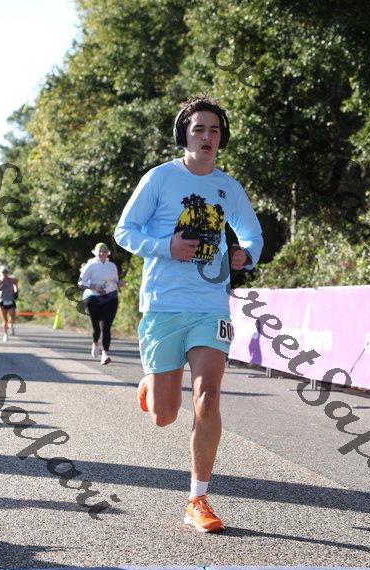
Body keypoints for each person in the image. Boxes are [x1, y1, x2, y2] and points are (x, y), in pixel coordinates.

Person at [114, 95, 263, 533]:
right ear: (185, 135)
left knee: (208, 396)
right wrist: (166, 246)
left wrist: (245, 254)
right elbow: (124, 231)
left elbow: (252, 233)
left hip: (210, 303)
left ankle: (198, 498)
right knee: (164, 414)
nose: (207, 137)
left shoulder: (229, 188)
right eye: (199, 129)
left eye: (214, 130)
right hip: (163, 303)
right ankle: (151, 381)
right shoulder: (159, 179)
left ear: (221, 139)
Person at [78, 242, 125, 365]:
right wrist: (94, 286)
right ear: (95, 252)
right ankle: (95, 342)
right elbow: (81, 282)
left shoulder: (112, 266)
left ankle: (105, 354)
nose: (102, 253)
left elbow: (115, 280)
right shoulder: (91, 264)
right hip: (93, 298)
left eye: (104, 251)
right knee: (96, 329)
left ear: (108, 253)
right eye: (100, 251)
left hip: (110, 297)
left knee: (106, 327)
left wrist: (119, 283)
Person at [0, 265, 18, 342]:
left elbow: (16, 284)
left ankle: (11, 325)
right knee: (5, 320)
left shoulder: (12, 280)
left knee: (13, 318)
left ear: (8, 272)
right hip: (2, 301)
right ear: (0, 273)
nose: (4, 273)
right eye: (3, 272)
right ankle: (5, 335)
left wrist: (16, 291)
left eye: (6, 272)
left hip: (11, 300)